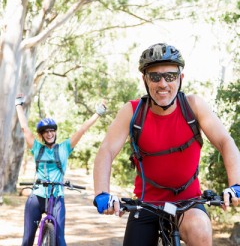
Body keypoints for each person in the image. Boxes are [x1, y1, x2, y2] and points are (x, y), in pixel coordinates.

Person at [93, 43, 240, 246]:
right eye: (155, 77)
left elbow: (225, 142)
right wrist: (102, 192)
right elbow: (106, 150)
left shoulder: (193, 106)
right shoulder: (133, 112)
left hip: (189, 204)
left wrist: (236, 185)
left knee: (200, 228)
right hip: (146, 205)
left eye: (170, 76)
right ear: (145, 80)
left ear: (181, 78)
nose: (163, 83)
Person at [15, 95, 106, 246]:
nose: (49, 134)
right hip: (36, 198)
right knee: (27, 240)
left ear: (55, 132)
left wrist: (98, 112)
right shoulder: (37, 148)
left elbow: (82, 130)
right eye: (46, 132)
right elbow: (25, 128)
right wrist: (18, 105)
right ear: (42, 135)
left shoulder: (64, 148)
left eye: (52, 131)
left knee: (60, 240)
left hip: (57, 198)